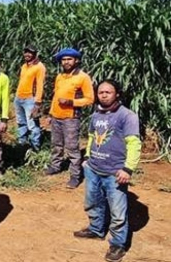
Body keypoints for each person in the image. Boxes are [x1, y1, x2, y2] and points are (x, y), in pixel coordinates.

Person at [73, 79, 141, 262]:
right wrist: (87, 157)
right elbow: (91, 137)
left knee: (118, 212)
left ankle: (118, 244)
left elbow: (134, 144)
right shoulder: (96, 115)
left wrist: (128, 169)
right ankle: (96, 230)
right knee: (93, 202)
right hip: (93, 168)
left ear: (117, 94)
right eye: (100, 92)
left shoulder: (127, 116)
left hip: (115, 172)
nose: (103, 95)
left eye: (108, 92)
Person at [45, 47, 95, 189]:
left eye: (69, 59)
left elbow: (90, 99)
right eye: (64, 59)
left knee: (72, 147)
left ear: (76, 60)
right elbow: (55, 97)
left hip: (71, 118)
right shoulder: (60, 76)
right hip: (56, 116)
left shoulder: (83, 77)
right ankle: (55, 166)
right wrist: (50, 113)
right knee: (56, 144)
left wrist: (71, 102)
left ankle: (75, 175)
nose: (66, 62)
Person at [14, 45, 46, 151]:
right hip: (19, 98)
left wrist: (37, 102)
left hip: (30, 100)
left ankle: (35, 148)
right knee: (21, 123)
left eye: (30, 52)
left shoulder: (39, 67)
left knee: (32, 125)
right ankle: (22, 146)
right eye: (26, 52)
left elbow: (40, 85)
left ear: (35, 54)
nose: (27, 54)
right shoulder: (24, 66)